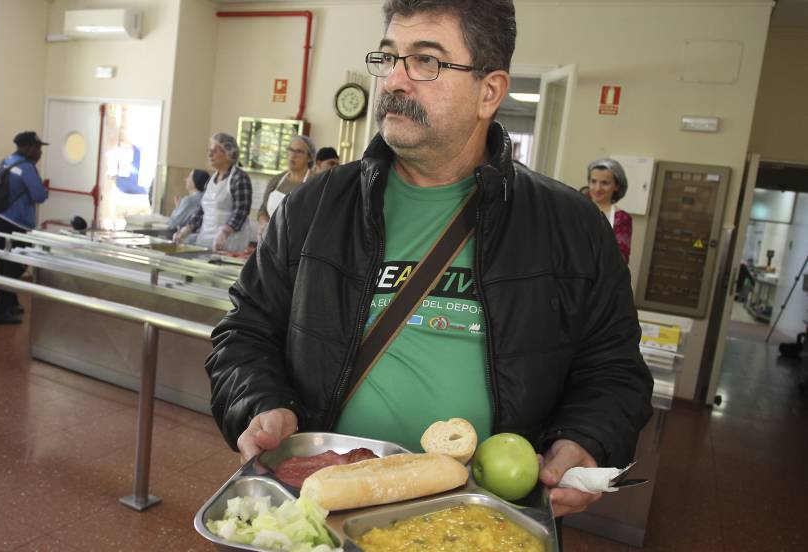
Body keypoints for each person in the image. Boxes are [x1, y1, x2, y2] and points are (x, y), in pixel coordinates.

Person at [206, 0, 653, 520]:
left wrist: (586, 439)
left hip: (483, 519)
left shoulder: (571, 227)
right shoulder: (315, 207)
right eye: (390, 56)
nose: (395, 79)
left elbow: (614, 371)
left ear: (490, 91)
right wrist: (262, 403)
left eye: (425, 61)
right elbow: (244, 331)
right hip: (326, 511)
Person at [0, 131, 49, 325]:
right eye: (38, 148)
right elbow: (39, 196)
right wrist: (43, 189)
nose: (40, 153)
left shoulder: (4, 162)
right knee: (14, 267)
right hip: (16, 225)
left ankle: (11, 303)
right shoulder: (27, 168)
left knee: (3, 264)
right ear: (28, 148)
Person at [172, 133, 253, 253]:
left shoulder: (239, 178)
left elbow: (240, 212)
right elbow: (202, 210)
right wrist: (186, 230)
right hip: (205, 240)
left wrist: (224, 233)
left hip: (230, 242)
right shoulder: (211, 180)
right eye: (210, 150)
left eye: (215, 151)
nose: (210, 154)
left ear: (228, 153)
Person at [257, 135, 316, 240]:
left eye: (299, 151)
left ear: (310, 157)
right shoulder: (276, 180)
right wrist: (264, 225)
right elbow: (263, 210)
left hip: (300, 242)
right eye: (291, 150)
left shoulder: (315, 182)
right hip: (272, 239)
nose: (293, 155)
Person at [587, 158, 632, 264]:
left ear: (616, 186)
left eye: (605, 183)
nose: (597, 188)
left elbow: (621, 259)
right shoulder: (575, 209)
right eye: (593, 181)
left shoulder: (621, 218)